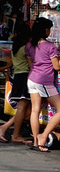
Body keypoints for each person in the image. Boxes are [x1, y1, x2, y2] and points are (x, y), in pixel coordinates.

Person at [25, 17, 60, 152]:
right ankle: (43, 136)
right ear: (45, 30)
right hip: (44, 82)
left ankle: (35, 142)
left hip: (32, 79)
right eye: (49, 29)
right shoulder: (50, 47)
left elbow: (30, 64)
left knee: (35, 110)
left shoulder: (29, 45)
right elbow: (56, 66)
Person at [0, 23, 32, 144]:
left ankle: (4, 127)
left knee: (26, 110)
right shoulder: (26, 48)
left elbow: (11, 63)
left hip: (18, 77)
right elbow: (31, 65)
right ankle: (15, 134)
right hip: (24, 77)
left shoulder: (15, 47)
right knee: (23, 107)